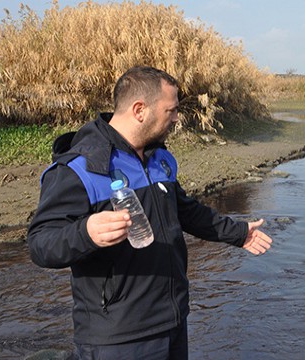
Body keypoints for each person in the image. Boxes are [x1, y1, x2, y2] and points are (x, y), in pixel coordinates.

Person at [27, 66, 273, 359]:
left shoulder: (159, 159)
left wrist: (239, 233)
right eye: (171, 110)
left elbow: (186, 211)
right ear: (140, 110)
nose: (177, 118)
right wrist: (87, 232)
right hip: (117, 337)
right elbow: (41, 244)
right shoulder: (80, 168)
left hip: (172, 321)